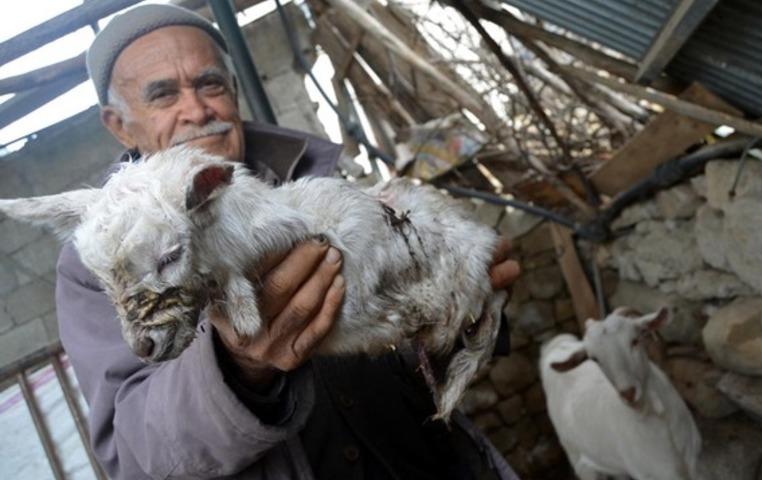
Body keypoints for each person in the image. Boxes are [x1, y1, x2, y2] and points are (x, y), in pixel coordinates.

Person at [58, 4, 521, 479]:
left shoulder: (323, 183)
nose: (197, 110)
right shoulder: (95, 263)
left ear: (234, 92)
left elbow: (408, 333)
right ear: (119, 124)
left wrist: (467, 302)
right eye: (164, 95)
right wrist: (235, 369)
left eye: (210, 84)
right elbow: (134, 455)